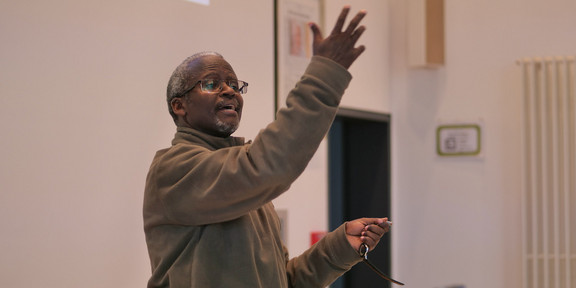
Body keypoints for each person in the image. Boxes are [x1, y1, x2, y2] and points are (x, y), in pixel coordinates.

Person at [143, 6, 392, 288]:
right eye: (212, 83)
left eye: (234, 85)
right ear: (179, 106)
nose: (229, 91)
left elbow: (284, 280)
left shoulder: (244, 179)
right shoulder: (174, 171)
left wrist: (339, 246)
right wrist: (326, 74)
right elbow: (267, 165)